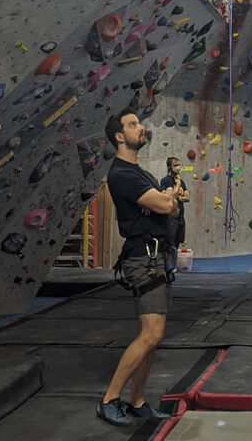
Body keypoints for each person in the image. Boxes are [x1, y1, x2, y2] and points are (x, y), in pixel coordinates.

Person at [98, 109, 180, 426]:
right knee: (151, 334)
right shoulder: (122, 174)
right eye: (133, 125)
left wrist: (167, 200)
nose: (140, 128)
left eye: (139, 123)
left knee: (153, 336)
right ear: (119, 136)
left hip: (156, 256)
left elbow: (173, 208)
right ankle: (109, 399)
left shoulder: (142, 173)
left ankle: (137, 401)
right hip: (143, 258)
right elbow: (166, 205)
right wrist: (165, 199)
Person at [159, 157, 190, 249]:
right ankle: (168, 262)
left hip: (181, 217)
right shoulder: (166, 180)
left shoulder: (181, 181)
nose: (178, 167)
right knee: (169, 244)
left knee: (177, 242)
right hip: (171, 219)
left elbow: (188, 198)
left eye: (179, 165)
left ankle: (174, 262)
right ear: (169, 167)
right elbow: (171, 196)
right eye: (175, 165)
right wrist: (178, 185)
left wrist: (178, 197)